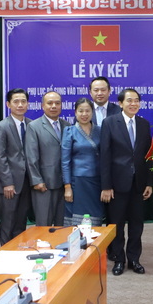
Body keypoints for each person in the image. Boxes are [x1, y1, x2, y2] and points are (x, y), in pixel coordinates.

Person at [100, 88, 153, 275]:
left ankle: (134, 259)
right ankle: (118, 260)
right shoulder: (109, 123)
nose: (133, 104)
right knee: (116, 224)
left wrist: (149, 182)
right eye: (129, 100)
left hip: (139, 184)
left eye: (136, 100)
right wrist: (106, 186)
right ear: (121, 103)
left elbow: (148, 156)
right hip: (116, 185)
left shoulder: (144, 124)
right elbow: (105, 156)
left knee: (137, 225)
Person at [0, 89, 34, 245]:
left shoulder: (31, 124)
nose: (20, 104)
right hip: (9, 183)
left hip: (27, 182)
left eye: (23, 101)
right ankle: (5, 254)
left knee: (21, 221)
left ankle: (19, 251)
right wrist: (7, 183)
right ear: (8, 104)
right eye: (16, 101)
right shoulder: (2, 126)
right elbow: (0, 156)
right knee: (8, 223)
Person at [27, 91, 69, 227]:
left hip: (63, 184)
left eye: (57, 103)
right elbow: (31, 156)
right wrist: (37, 180)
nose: (54, 106)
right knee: (43, 226)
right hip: (43, 185)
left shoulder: (67, 126)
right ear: (42, 106)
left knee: (61, 226)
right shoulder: (34, 126)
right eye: (50, 103)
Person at [62, 97, 104, 227]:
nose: (84, 114)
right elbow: (65, 161)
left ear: (92, 112)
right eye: (81, 111)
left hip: (97, 182)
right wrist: (67, 186)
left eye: (87, 111)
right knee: (76, 222)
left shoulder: (100, 130)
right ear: (75, 112)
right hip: (77, 182)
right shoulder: (69, 131)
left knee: (95, 219)